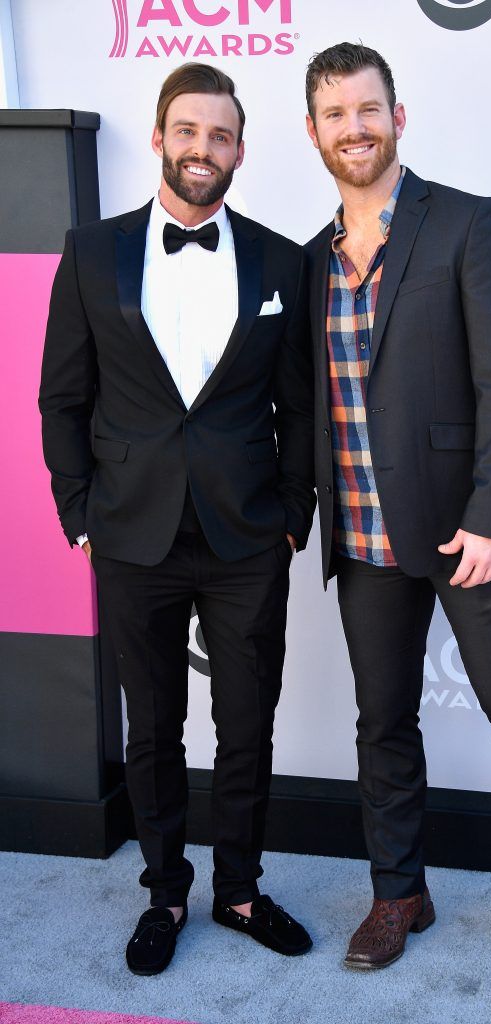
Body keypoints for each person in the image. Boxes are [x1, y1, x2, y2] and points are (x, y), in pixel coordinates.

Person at [303, 42, 491, 981]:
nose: (354, 128)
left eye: (367, 109)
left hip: (469, 528)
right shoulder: (309, 261)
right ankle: (400, 893)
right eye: (335, 114)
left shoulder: (468, 225)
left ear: (400, 116)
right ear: (312, 131)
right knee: (382, 720)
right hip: (361, 533)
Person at [39, 62, 315, 975]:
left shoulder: (282, 259)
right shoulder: (91, 253)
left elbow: (298, 407)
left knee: (247, 723)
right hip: (129, 534)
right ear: (160, 137)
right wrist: (80, 516)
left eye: (222, 135)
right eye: (188, 132)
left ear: (241, 149)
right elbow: (61, 398)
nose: (204, 150)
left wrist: (292, 514)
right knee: (152, 728)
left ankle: (239, 888)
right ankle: (165, 889)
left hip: (246, 537)